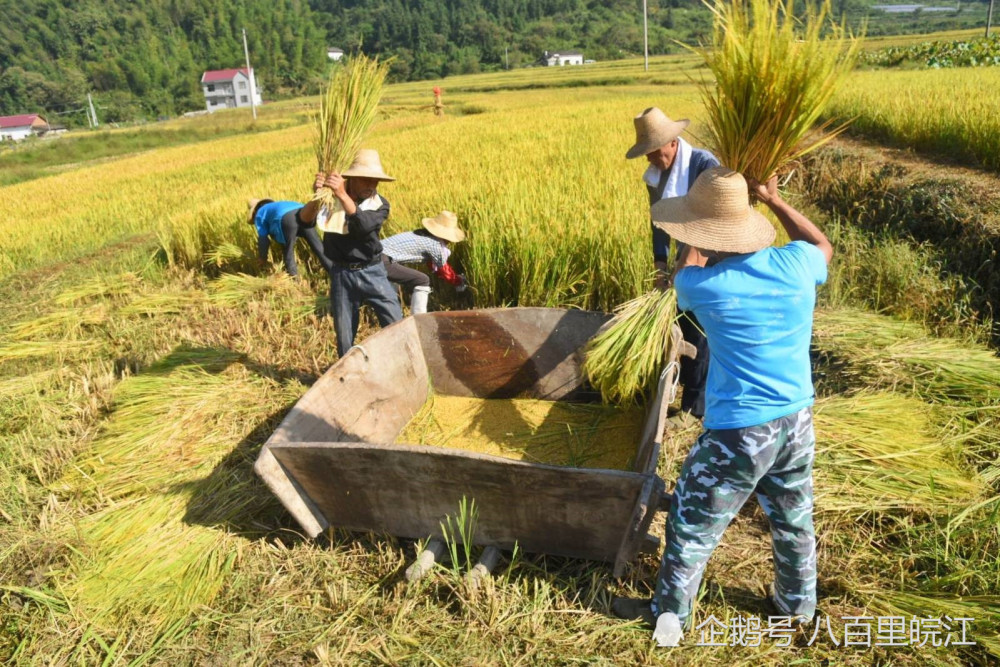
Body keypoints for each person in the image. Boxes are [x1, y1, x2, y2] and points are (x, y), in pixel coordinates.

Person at [612, 167, 833, 646]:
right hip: (797, 422)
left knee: (692, 523)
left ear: (706, 234)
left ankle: (667, 615)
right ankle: (796, 607)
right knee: (794, 518)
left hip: (740, 433)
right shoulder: (797, 264)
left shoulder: (706, 287)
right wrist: (774, 201)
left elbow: (683, 273)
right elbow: (823, 246)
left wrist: (695, 232)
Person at [626, 107, 720, 425]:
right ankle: (675, 390)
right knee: (677, 320)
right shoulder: (655, 176)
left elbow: (712, 219)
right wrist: (660, 265)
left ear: (672, 142)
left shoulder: (704, 166)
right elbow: (659, 222)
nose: (651, 159)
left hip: (715, 250)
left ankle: (696, 408)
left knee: (698, 326)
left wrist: (686, 264)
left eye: (654, 151)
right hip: (683, 253)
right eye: (646, 153)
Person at [300, 149, 403, 357]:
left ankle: (403, 366)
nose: (371, 186)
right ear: (352, 178)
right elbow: (304, 220)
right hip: (342, 274)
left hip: (372, 271)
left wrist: (342, 194)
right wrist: (318, 196)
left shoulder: (380, 204)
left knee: (396, 324)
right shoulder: (332, 199)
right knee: (344, 335)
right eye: (366, 180)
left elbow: (363, 226)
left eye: (375, 181)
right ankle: (347, 376)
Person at [380, 210, 467, 315]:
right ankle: (419, 318)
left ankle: (393, 315)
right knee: (422, 280)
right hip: (381, 260)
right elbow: (443, 269)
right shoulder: (434, 244)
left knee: (393, 285)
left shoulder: (421, 233)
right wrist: (458, 281)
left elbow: (431, 264)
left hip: (375, 255)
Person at [247, 189, 333, 277]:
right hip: (305, 213)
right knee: (319, 247)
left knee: (288, 251)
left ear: (254, 211)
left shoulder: (259, 214)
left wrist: (262, 258)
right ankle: (336, 274)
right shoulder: (275, 205)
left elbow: (263, 239)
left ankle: (295, 281)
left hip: (286, 219)